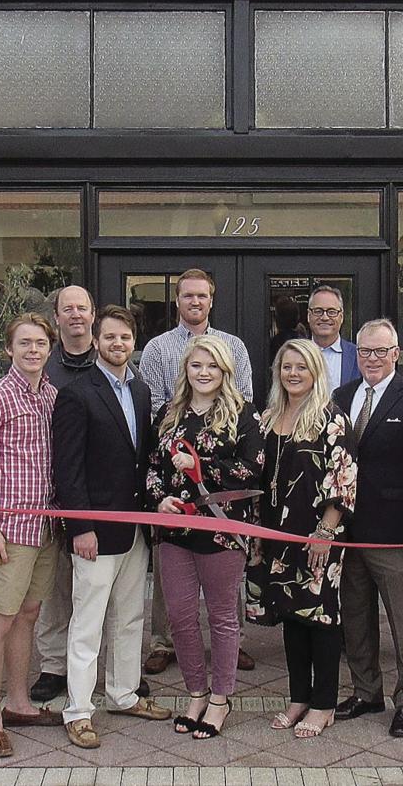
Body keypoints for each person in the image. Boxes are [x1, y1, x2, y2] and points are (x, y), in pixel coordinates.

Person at [54, 305, 172, 750]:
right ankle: (79, 710)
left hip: (135, 529)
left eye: (125, 338)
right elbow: (68, 470)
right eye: (110, 338)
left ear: (133, 340)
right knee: (87, 623)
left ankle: (123, 693)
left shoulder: (140, 390)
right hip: (95, 534)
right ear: (96, 341)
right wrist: (80, 526)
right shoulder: (77, 393)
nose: (118, 344)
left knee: (130, 617)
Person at [146, 335, 264, 740]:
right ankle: (195, 691)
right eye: (197, 365)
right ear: (186, 370)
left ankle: (220, 698)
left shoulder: (243, 415)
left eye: (212, 366)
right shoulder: (167, 413)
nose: (204, 373)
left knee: (222, 617)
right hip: (175, 532)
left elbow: (253, 470)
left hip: (221, 531)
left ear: (225, 371)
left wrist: (201, 464)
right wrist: (159, 499)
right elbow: (151, 465)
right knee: (179, 617)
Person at [139, 268, 255, 676]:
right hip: (174, 490)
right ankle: (163, 641)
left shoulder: (234, 347)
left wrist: (202, 456)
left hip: (221, 507)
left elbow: (244, 408)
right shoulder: (156, 348)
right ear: (177, 300)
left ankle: (232, 642)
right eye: (188, 296)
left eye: (202, 296)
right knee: (174, 592)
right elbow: (152, 404)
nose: (195, 302)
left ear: (212, 299)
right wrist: (173, 443)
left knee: (225, 594)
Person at [332, 319, 403, 739]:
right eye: (365, 351)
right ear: (356, 353)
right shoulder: (341, 397)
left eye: (381, 351)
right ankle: (366, 691)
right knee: (355, 618)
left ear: (396, 353)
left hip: (398, 534)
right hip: (349, 532)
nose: (373, 359)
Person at [0, 313, 64, 759]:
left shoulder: (51, 397)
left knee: (29, 614)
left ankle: (20, 702)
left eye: (40, 343)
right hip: (8, 530)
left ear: (50, 348)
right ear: (9, 349)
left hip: (44, 528)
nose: (33, 350)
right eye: (24, 343)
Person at [248, 339, 356, 739]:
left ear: (316, 373)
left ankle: (324, 704)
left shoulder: (331, 417)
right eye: (286, 367)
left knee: (321, 617)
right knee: (292, 617)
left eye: (302, 368)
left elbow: (343, 480)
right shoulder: (267, 417)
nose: (293, 374)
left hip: (317, 535)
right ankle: (299, 698)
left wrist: (325, 533)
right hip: (277, 536)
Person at [31, 285, 96, 704]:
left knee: (95, 589)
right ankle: (54, 665)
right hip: (50, 496)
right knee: (55, 589)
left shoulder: (112, 362)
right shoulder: (43, 367)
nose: (76, 315)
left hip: (98, 497)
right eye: (67, 309)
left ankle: (101, 667)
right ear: (56, 318)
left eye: (82, 308)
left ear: (93, 315)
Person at [307, 283, 359, 390]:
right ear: (308, 316)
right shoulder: (296, 354)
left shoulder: (358, 356)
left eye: (331, 312)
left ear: (341, 317)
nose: (325, 317)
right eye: (318, 311)